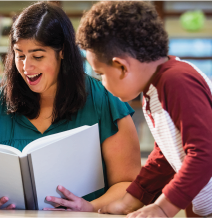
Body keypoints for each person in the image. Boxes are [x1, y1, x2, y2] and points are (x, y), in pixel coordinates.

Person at [0, 1, 141, 212]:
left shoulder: (104, 102)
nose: (26, 67)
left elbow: (130, 187)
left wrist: (90, 207)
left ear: (62, 52)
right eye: (19, 55)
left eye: (38, 56)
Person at [76, 0, 212, 217]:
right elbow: (165, 157)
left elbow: (204, 153)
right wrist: (128, 202)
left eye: (101, 73)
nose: (101, 82)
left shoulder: (177, 81)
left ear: (122, 66)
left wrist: (162, 208)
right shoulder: (154, 88)